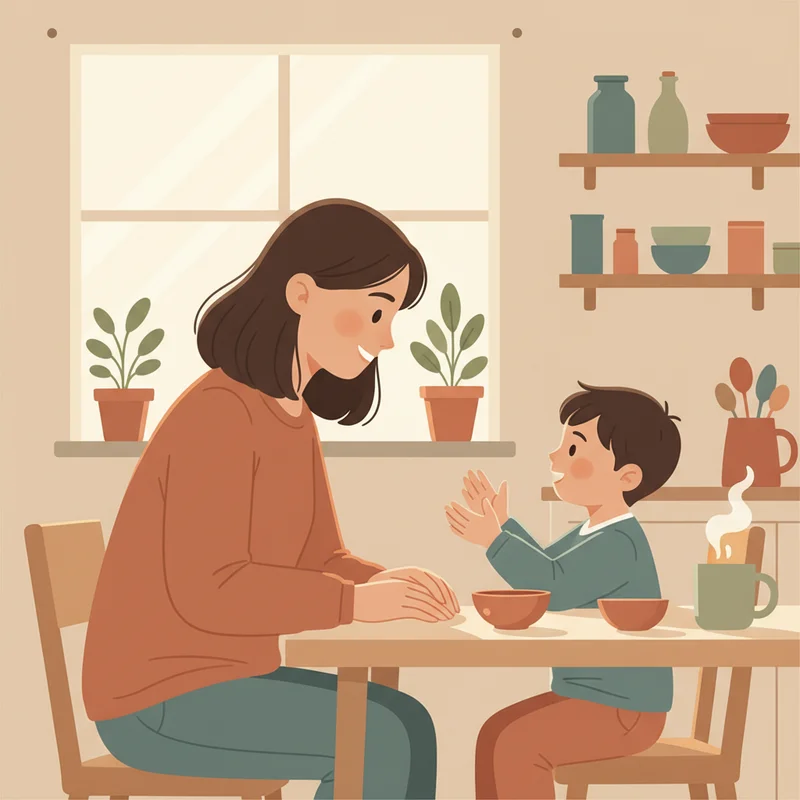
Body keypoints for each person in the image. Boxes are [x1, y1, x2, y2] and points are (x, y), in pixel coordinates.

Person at [83, 199, 458, 800]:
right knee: (382, 736)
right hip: (158, 700)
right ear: (303, 293)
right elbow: (210, 589)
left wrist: (388, 583)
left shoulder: (292, 414)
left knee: (406, 721)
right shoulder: (220, 415)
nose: (386, 340)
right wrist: (358, 605)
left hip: (231, 678)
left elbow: (319, 556)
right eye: (375, 311)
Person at [444, 382, 682, 800]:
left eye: (574, 449)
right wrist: (502, 528)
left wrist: (493, 540)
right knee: (496, 733)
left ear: (626, 477)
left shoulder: (619, 544)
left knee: (516, 744)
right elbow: (549, 566)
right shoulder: (595, 532)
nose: (555, 457)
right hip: (591, 698)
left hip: (625, 710)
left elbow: (551, 586)